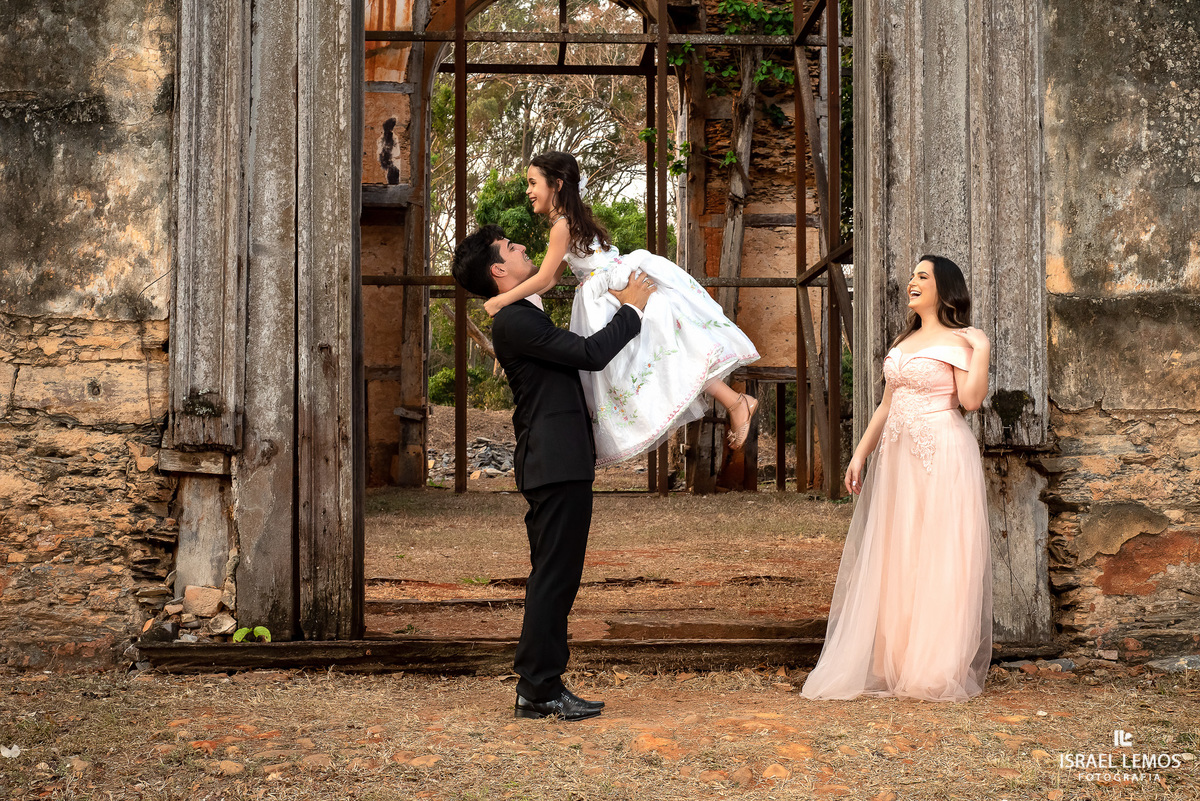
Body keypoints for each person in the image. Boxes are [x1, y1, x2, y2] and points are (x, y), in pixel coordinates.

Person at [452, 223, 656, 721]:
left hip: (556, 461)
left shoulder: (520, 312)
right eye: (513, 248)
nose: (525, 249)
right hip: (554, 461)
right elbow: (588, 355)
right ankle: (539, 688)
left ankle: (540, 685)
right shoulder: (516, 323)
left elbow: (546, 278)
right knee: (553, 579)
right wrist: (632, 308)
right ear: (499, 269)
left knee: (555, 578)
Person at [481, 151, 762, 465]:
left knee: (650, 358)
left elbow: (545, 276)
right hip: (613, 285)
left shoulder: (561, 227)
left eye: (533, 183)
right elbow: (549, 281)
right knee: (664, 354)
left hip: (614, 291)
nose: (529, 190)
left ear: (556, 185)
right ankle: (735, 401)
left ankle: (736, 403)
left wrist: (503, 299)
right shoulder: (572, 220)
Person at [801, 255, 993, 702]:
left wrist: (982, 349)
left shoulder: (963, 342)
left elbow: (970, 401)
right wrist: (859, 454)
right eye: (911, 276)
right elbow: (887, 405)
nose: (911, 282)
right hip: (897, 457)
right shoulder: (904, 340)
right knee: (900, 550)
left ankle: (935, 666)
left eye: (922, 277)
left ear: (944, 288)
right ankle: (898, 660)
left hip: (941, 452)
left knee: (939, 551)